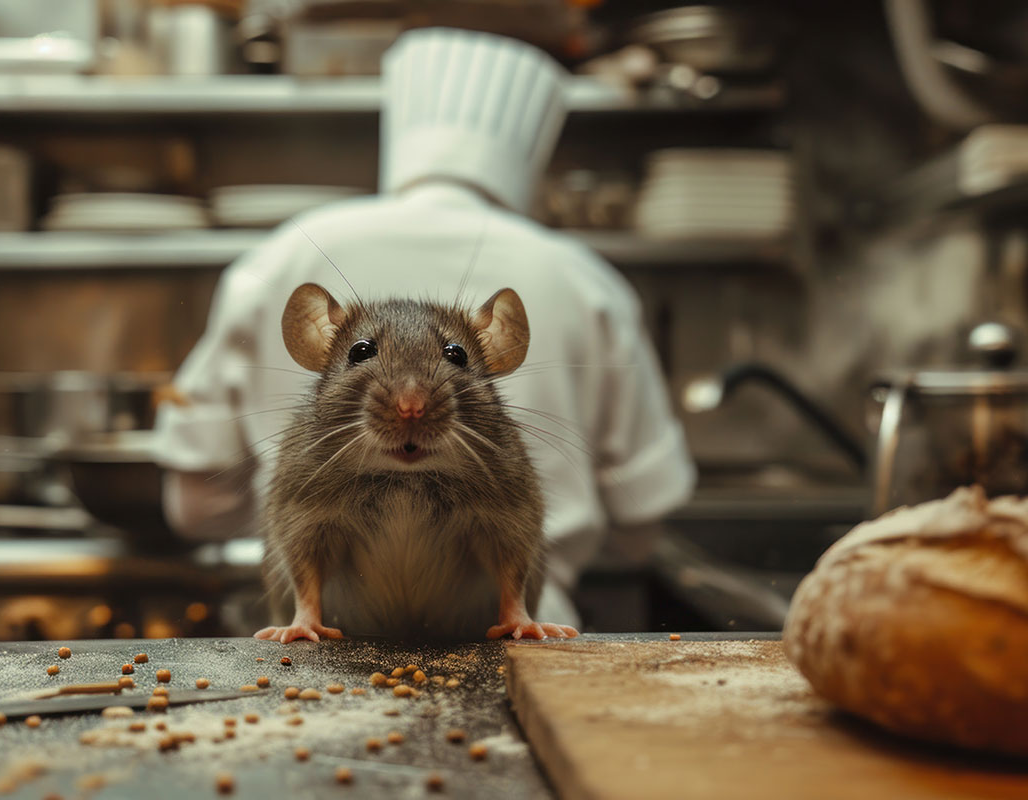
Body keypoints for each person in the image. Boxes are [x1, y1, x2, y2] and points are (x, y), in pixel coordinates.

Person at [152, 27, 696, 631]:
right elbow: (643, 527)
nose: (410, 400)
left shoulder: (277, 254)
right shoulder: (589, 279)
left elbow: (194, 505)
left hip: (341, 642)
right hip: (510, 646)